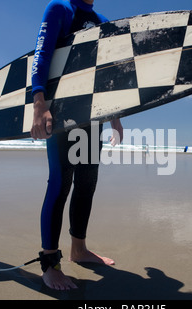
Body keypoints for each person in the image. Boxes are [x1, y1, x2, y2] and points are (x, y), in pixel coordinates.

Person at [31, 0, 123, 290]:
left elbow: (107, 74)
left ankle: (78, 250)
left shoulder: (102, 20)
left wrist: (115, 119)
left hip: (92, 115)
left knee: (87, 182)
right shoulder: (60, 8)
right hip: (62, 111)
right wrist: (39, 104)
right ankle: (49, 263)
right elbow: (42, 54)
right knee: (60, 183)